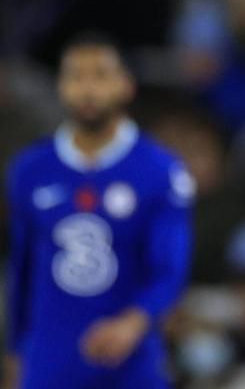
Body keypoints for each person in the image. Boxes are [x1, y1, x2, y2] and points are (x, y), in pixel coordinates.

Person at [4, 34, 194, 389]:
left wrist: (135, 321)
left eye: (100, 75)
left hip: (130, 360)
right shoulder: (30, 170)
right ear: (61, 87)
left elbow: (170, 269)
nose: (88, 89)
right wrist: (14, 351)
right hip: (49, 358)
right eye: (76, 76)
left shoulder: (160, 171)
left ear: (126, 85)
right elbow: (22, 268)